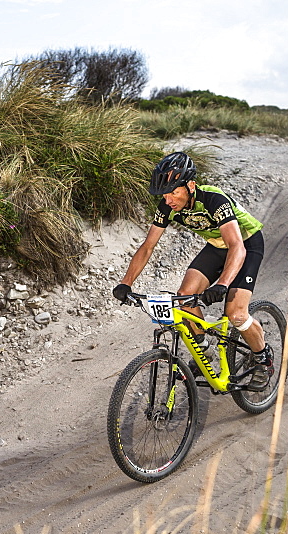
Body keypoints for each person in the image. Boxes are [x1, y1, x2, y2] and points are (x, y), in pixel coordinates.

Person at [113, 153, 273, 391]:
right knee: (185, 297)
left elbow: (237, 246)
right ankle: (204, 351)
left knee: (236, 314)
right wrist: (126, 283)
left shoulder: (213, 200)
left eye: (173, 192)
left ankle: (263, 358)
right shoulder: (167, 207)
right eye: (164, 195)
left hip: (246, 244)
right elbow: (148, 246)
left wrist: (222, 284)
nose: (168, 200)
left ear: (190, 185)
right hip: (217, 246)